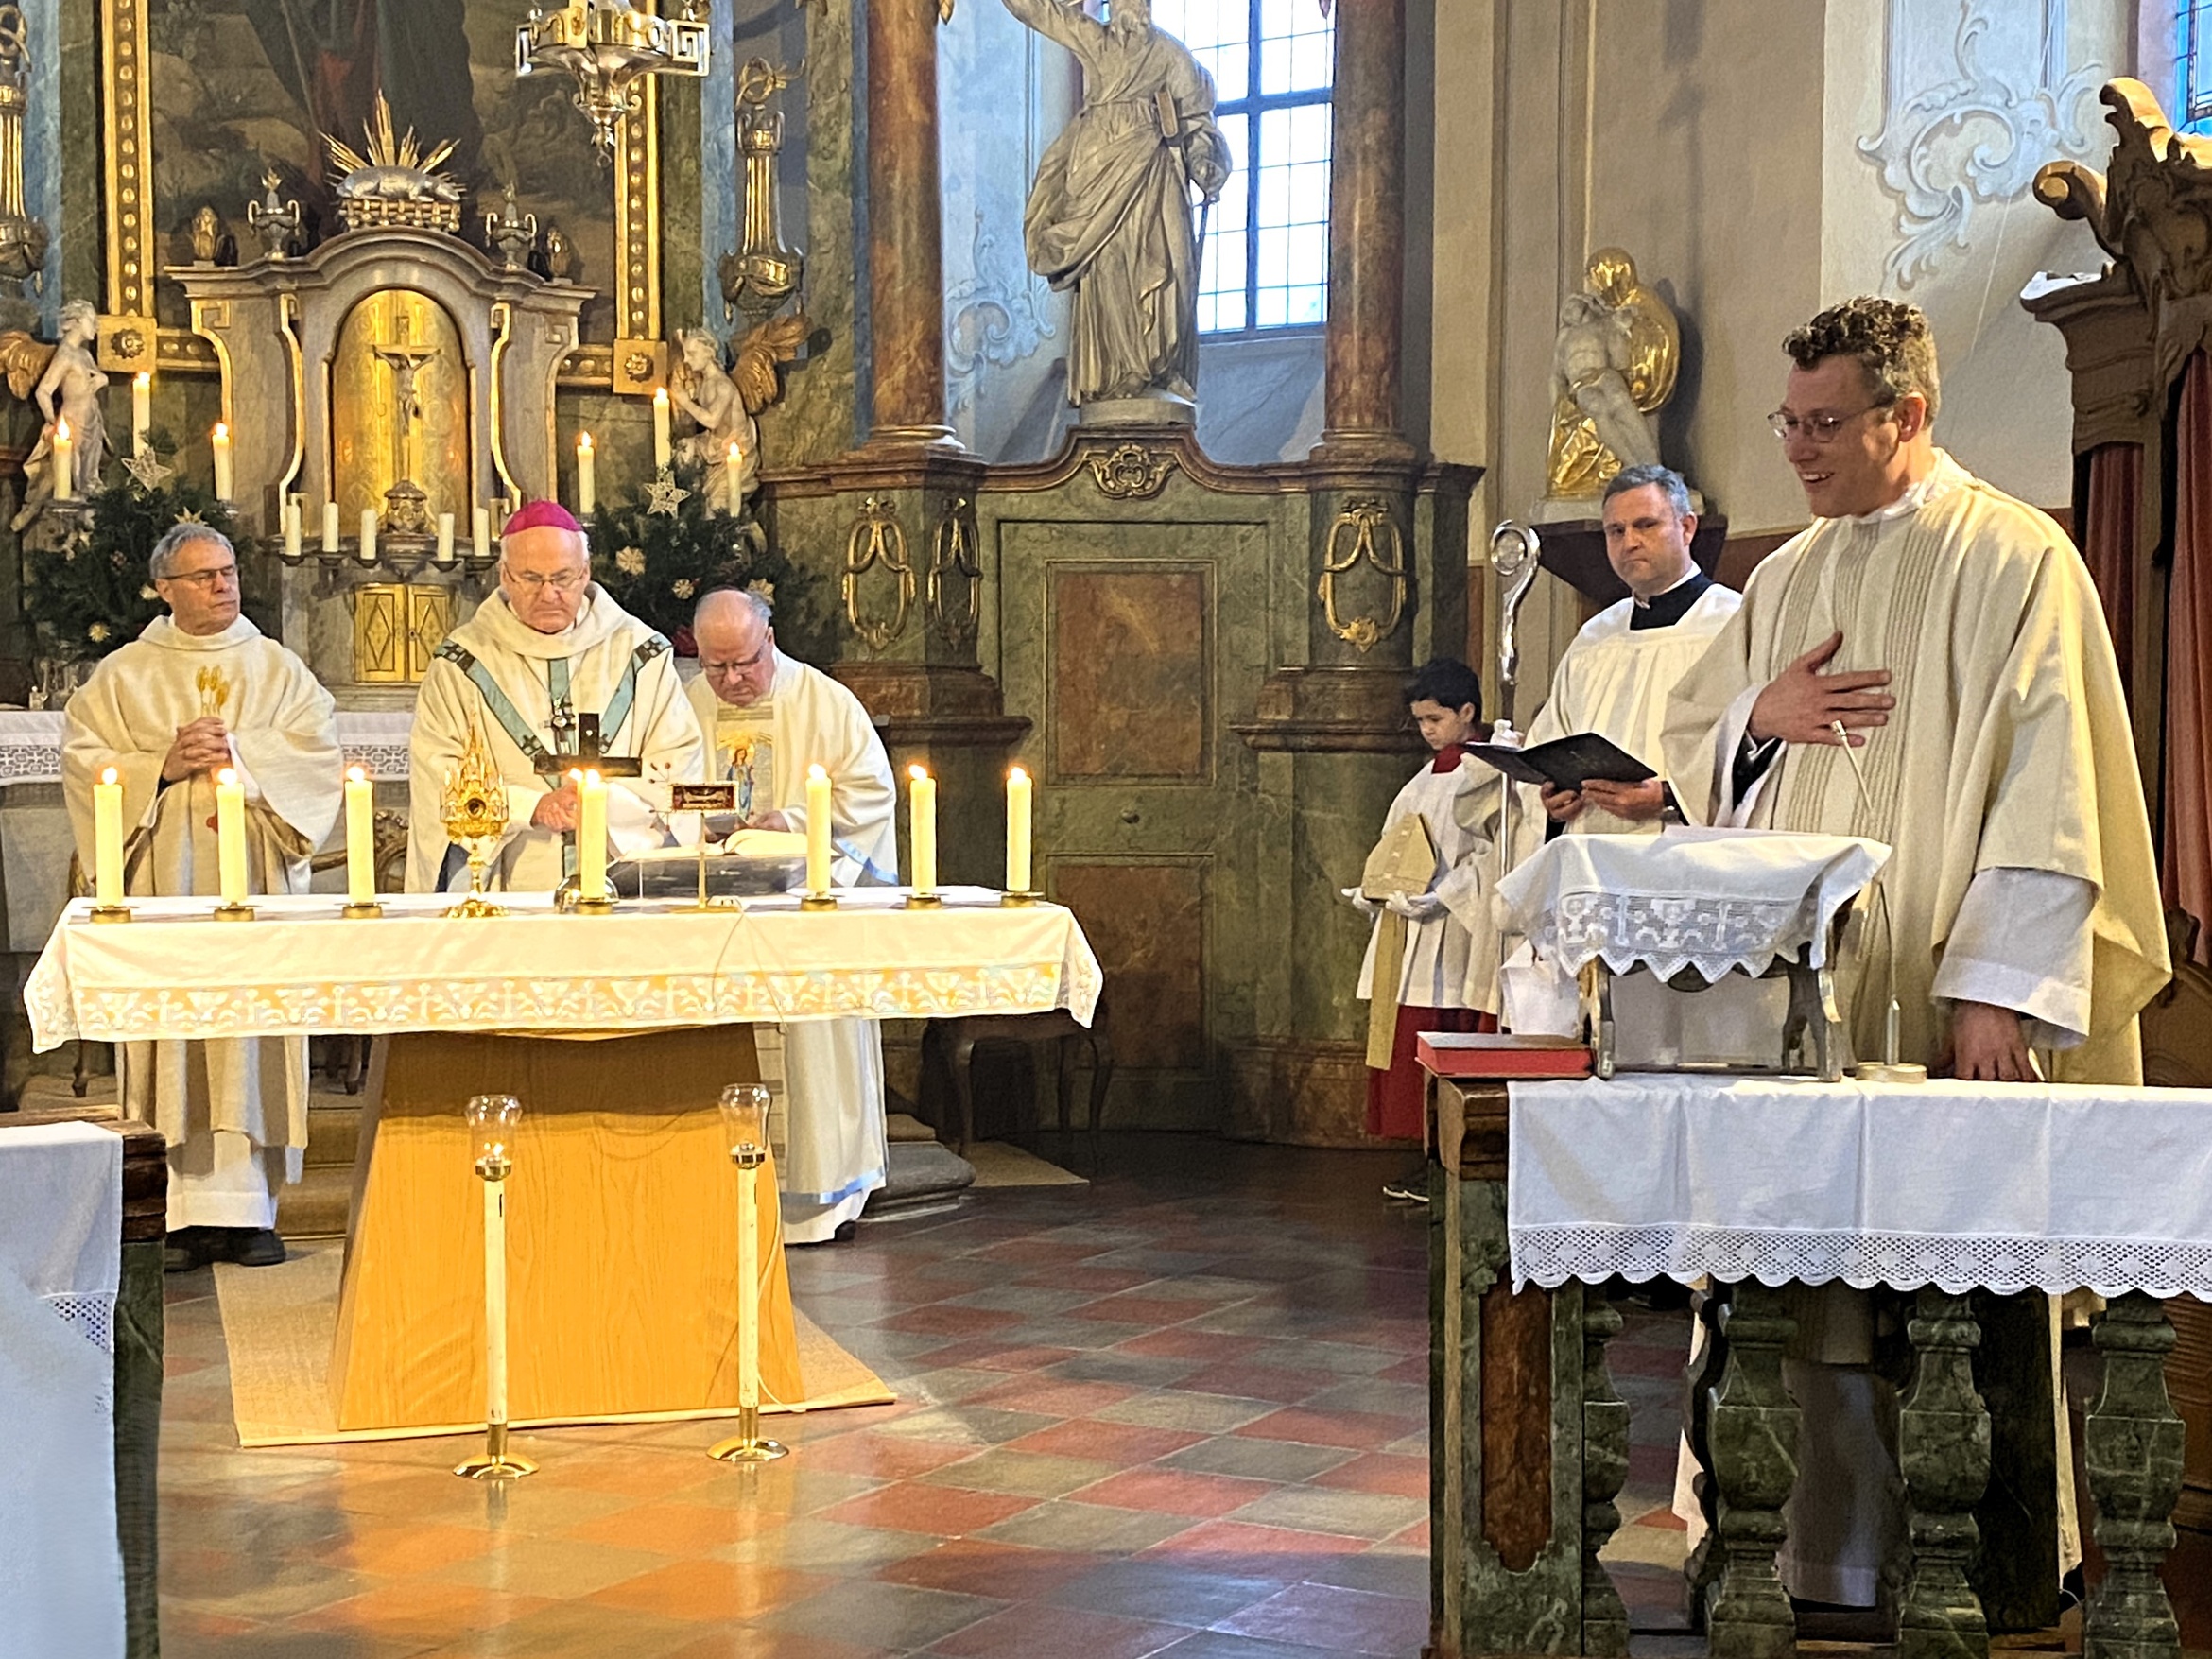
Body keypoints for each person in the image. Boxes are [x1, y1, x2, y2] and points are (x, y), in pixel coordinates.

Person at [1661, 296, 2169, 1611]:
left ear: (1910, 414)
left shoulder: (2015, 559)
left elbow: (2055, 781)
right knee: (1795, 1283)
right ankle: (1800, 1558)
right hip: (1801, 1015)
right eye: (1788, 422)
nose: (1797, 449)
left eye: (1826, 424)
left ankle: (1981, 1570)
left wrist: (1997, 989)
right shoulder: (1785, 576)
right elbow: (1696, 751)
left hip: (1941, 1004)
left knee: (1948, 1287)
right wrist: (1757, 718)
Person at [61, 524, 341, 1271]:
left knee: (251, 1026)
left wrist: (241, 757)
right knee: (175, 1028)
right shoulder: (124, 675)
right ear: (165, 588)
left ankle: (250, 1213)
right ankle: (176, 1213)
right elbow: (84, 757)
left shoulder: (278, 668)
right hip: (165, 885)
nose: (224, 585)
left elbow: (318, 751)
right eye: (204, 576)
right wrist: (159, 763)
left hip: (255, 883)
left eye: (228, 571)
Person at [687, 587, 897, 1244]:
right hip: (714, 920)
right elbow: (654, 792)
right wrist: (697, 827)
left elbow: (870, 795)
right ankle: (716, 1195)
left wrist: (793, 822)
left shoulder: (826, 704)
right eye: (716, 666)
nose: (732, 680)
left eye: (745, 662)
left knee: (812, 1047)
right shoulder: (684, 706)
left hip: (805, 914)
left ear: (770, 640)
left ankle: (819, 1203)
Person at [406, 500, 702, 893]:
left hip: (621, 876)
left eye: (562, 578)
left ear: (585, 572)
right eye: (531, 578)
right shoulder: (461, 662)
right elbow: (438, 773)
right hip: (511, 882)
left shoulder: (641, 653)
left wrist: (599, 802)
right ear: (505, 576)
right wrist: (531, 807)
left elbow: (677, 764)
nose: (548, 594)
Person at [1001, 0, 1231, 406]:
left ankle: (1160, 370)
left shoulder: (1170, 54)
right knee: (1109, 268)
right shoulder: (1095, 40)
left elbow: (1197, 121)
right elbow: (1042, 13)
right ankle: (1115, 375)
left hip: (1155, 176)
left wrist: (1204, 162)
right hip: (1096, 174)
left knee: (1169, 266)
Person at [1352, 659, 1509, 1202]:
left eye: (1435, 719)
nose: (1426, 730)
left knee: (1448, 1032)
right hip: (1413, 932)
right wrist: (1376, 887)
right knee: (1410, 1042)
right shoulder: (1423, 779)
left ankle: (1455, 1155)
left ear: (1467, 711)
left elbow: (1497, 855)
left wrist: (1444, 894)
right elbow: (1396, 844)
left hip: (1458, 930)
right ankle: (1424, 1152)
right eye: (1419, 720)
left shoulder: (1490, 773)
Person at [1528, 463, 1739, 837]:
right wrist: (1552, 797)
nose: (1630, 542)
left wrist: (1670, 797)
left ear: (1686, 527)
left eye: (1646, 525)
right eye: (1616, 531)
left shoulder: (1733, 624)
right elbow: (1552, 742)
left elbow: (1759, 749)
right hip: (1592, 848)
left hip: (1687, 848)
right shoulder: (1594, 637)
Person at [13, 300, 107, 533]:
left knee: (90, 477)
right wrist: (52, 422)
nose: (96, 326)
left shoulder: (84, 354)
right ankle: (69, 527)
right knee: (74, 477)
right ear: (76, 321)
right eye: (92, 320)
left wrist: (102, 379)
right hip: (73, 423)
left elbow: (97, 376)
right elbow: (43, 391)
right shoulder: (65, 355)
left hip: (92, 421)